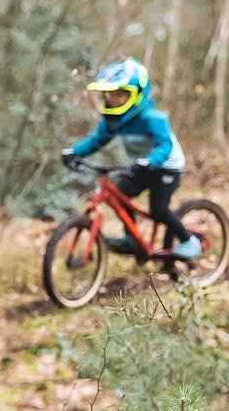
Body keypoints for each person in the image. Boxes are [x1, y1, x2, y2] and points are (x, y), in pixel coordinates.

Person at [62, 58, 202, 260]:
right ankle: (132, 239)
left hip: (166, 167)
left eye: (121, 94)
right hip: (140, 167)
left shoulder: (153, 118)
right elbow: (96, 141)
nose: (114, 99)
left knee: (158, 209)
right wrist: (74, 151)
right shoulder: (113, 121)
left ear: (136, 94)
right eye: (110, 94)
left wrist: (150, 161)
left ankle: (190, 241)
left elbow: (165, 145)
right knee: (120, 193)